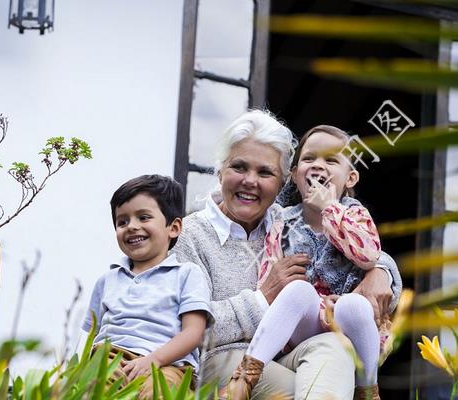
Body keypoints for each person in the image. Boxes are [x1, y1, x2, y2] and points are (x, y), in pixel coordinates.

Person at [172, 110, 402, 400]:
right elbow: (178, 327)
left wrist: (380, 271)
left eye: (265, 173)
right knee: (298, 391)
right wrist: (262, 298)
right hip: (224, 356)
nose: (250, 181)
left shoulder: (285, 221)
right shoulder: (190, 235)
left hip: (290, 349)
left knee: (336, 349)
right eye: (239, 167)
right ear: (220, 171)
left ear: (282, 181)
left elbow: (361, 248)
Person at [82, 175, 213, 399]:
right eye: (122, 222)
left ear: (174, 228)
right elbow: (90, 336)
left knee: (159, 393)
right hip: (111, 358)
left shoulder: (187, 274)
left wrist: (154, 360)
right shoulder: (108, 280)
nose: (132, 227)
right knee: (96, 388)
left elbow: (193, 332)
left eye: (143, 217)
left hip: (168, 364)